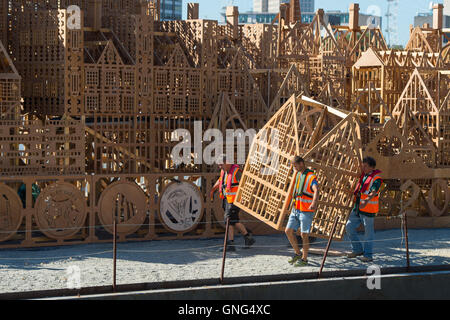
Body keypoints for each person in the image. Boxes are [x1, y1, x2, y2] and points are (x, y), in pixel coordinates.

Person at [210, 156, 255, 252]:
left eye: (221, 165)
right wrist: (213, 189)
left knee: (228, 220)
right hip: (227, 199)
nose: (220, 167)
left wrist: (244, 198)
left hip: (235, 200)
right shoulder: (225, 171)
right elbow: (221, 180)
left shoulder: (236, 171)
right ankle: (248, 237)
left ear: (227, 162)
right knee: (233, 220)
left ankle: (231, 244)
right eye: (219, 165)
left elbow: (245, 184)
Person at [346, 156, 383, 262]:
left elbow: (374, 192)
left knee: (368, 233)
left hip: (368, 210)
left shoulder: (376, 179)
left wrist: (366, 201)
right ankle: (357, 249)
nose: (363, 168)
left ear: (372, 167)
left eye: (365, 166)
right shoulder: (364, 176)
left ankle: (368, 255)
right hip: (358, 208)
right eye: (363, 166)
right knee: (349, 227)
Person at [285, 156, 319, 267]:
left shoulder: (310, 175)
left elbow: (316, 189)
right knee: (288, 231)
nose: (294, 168)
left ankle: (304, 259)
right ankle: (298, 254)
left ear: (301, 163)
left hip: (306, 210)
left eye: (295, 166)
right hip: (296, 209)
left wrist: (313, 203)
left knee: (304, 234)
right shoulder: (298, 174)